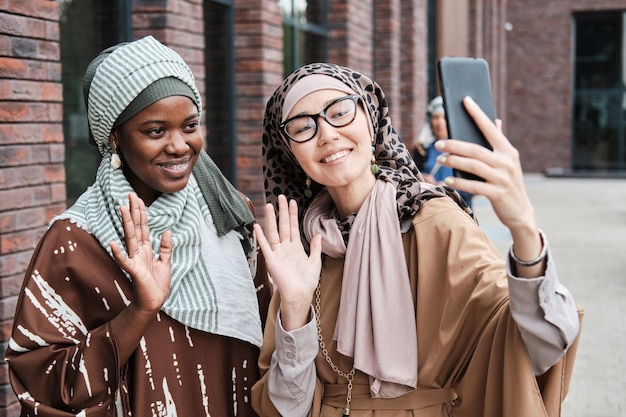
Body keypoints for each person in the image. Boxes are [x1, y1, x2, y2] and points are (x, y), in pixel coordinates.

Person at [250, 62, 582, 417]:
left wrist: (525, 230)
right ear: (291, 152)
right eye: (303, 127)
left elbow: (542, 344)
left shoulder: (435, 222)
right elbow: (287, 407)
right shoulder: (301, 251)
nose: (327, 133)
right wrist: (296, 309)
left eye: (340, 111)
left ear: (370, 117)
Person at [5, 35, 272, 416]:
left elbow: (269, 342)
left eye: (190, 125)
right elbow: (42, 384)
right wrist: (140, 311)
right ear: (114, 136)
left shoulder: (228, 215)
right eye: (155, 131)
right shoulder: (74, 242)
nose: (179, 145)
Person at [419, 96, 473, 208]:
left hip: (459, 208)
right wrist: (423, 179)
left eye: (444, 117)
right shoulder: (422, 149)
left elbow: (472, 187)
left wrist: (450, 187)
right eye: (436, 117)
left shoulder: (461, 148)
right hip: (432, 208)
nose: (440, 123)